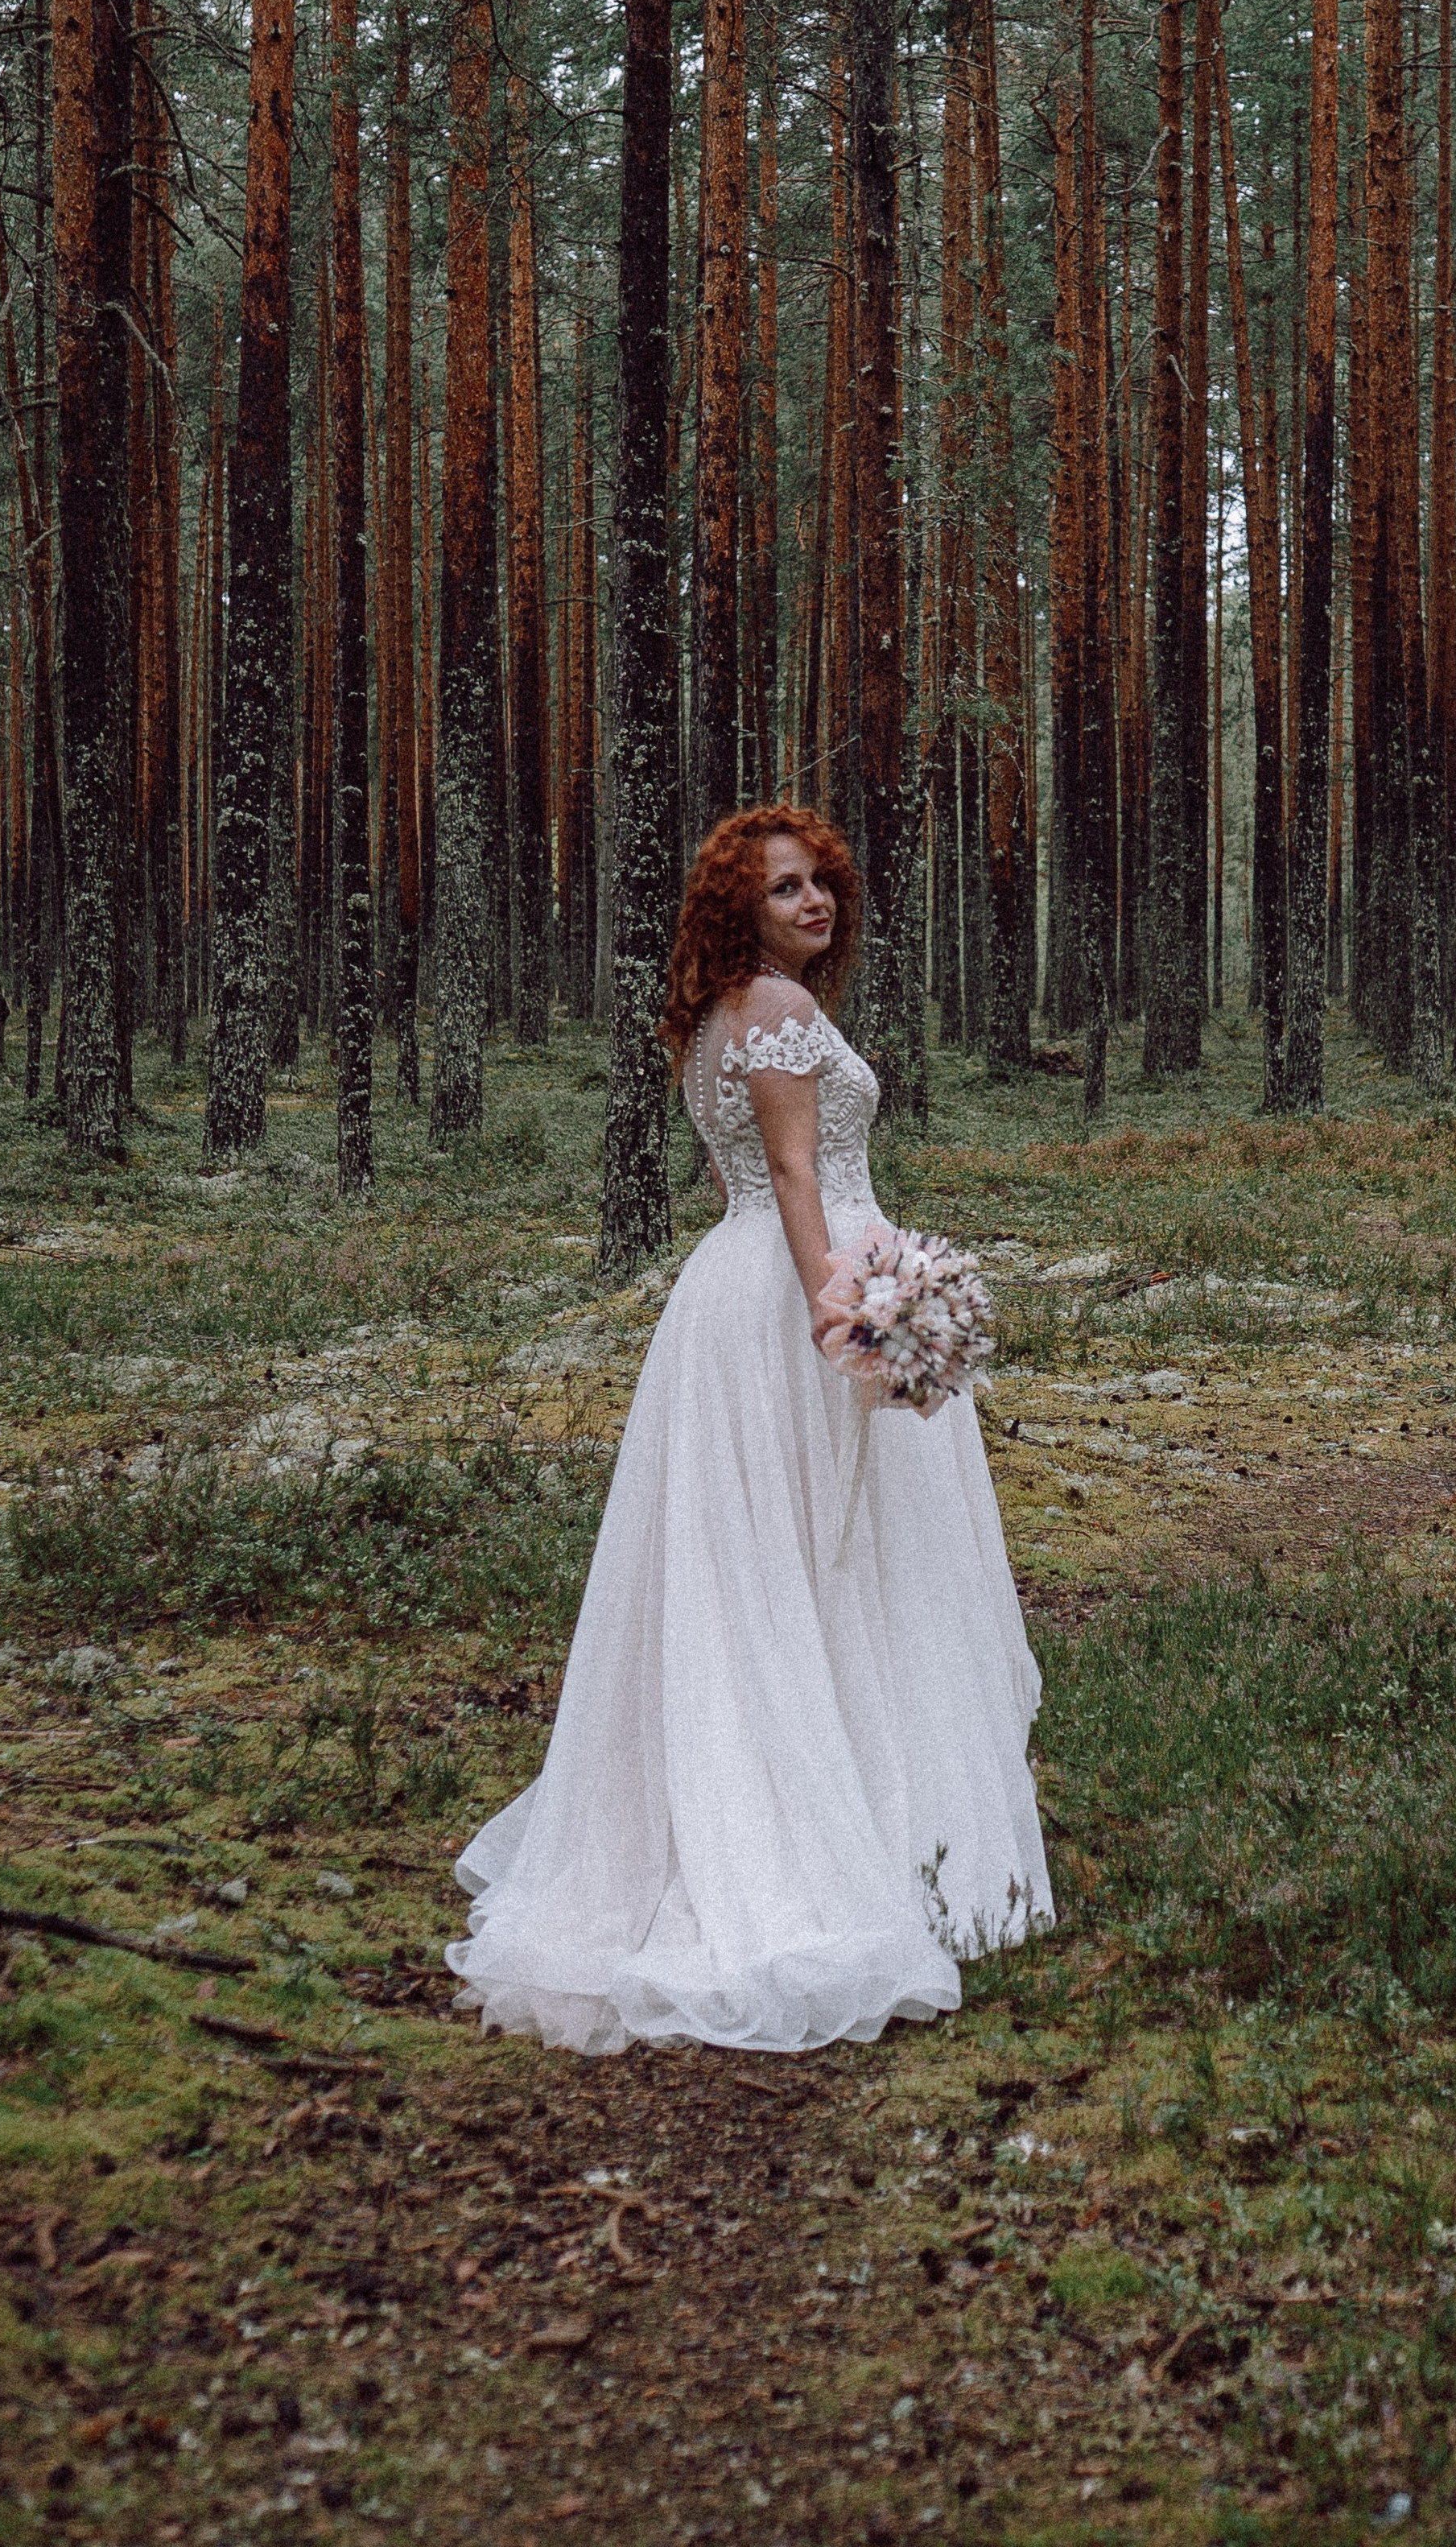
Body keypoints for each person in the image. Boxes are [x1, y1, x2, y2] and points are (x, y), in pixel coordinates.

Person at [447, 803, 1051, 2054]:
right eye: (784, 889)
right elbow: (783, 1175)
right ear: (743, 909)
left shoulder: (734, 1011)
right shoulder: (772, 1014)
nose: (813, 902)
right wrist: (855, 1315)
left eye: (820, 881)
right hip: (795, 1293)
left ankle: (845, 1805)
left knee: (789, 1567)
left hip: (752, 1294)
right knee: (814, 1559)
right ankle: (835, 1837)